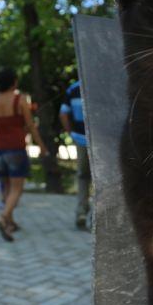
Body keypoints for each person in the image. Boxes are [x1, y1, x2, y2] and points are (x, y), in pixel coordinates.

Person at [0, 68, 48, 241]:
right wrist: (41, 146)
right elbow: (31, 125)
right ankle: (4, 218)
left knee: (5, 186)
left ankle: (10, 222)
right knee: (17, 188)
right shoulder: (20, 100)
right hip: (15, 147)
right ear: (14, 82)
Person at [60, 79, 91, 230]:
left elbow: (63, 113)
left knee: (82, 176)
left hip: (80, 139)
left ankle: (81, 212)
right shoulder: (101, 84)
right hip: (100, 140)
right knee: (101, 179)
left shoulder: (73, 89)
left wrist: (71, 133)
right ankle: (98, 214)